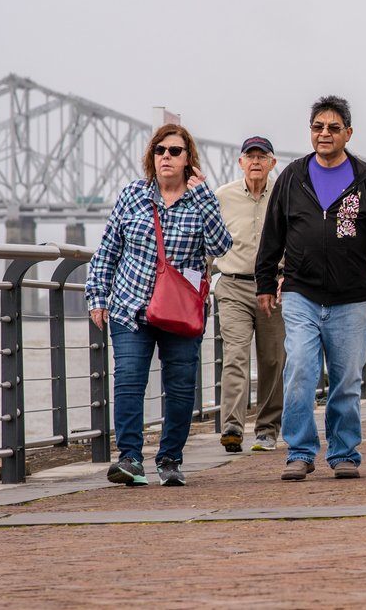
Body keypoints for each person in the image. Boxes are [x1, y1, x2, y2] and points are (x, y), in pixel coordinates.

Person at [255, 95, 366, 482]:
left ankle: (343, 452)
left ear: (348, 134)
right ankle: (301, 452)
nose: (325, 134)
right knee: (301, 370)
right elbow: (273, 233)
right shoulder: (292, 177)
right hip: (301, 293)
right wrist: (266, 282)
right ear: (311, 132)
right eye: (318, 127)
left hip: (352, 298)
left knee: (346, 380)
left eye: (333, 128)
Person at [86, 124, 232, 487]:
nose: (166, 156)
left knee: (181, 387)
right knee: (129, 381)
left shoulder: (201, 201)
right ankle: (131, 459)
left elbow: (220, 246)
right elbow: (107, 251)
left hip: (179, 312)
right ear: (151, 157)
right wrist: (97, 297)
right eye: (160, 150)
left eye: (175, 151)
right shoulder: (132, 195)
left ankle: (170, 459)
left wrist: (205, 199)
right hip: (130, 306)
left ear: (188, 160)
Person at [213, 136, 286, 454]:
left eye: (262, 156)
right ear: (240, 162)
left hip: (274, 286)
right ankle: (231, 426)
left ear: (273, 163)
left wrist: (289, 276)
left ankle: (267, 429)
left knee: (273, 360)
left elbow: (297, 238)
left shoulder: (285, 194)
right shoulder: (222, 196)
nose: (256, 161)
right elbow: (208, 240)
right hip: (231, 284)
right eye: (250, 156)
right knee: (235, 356)